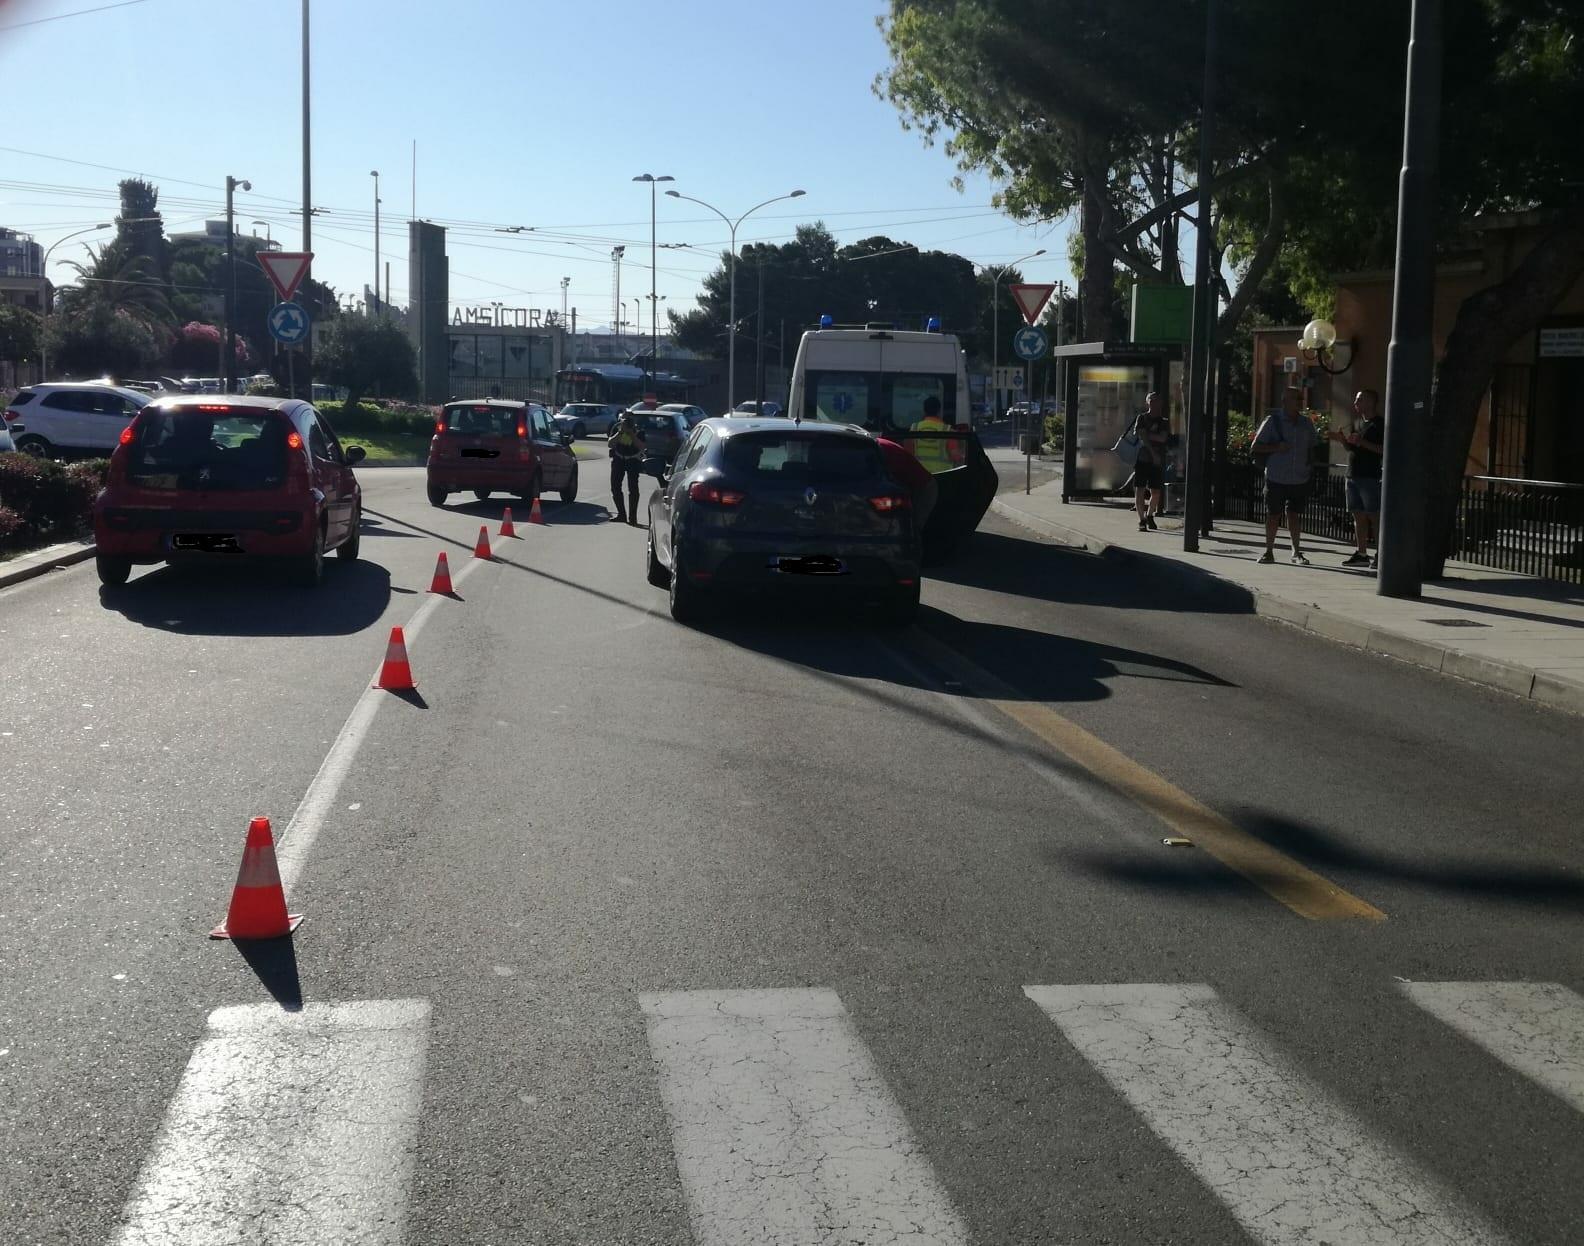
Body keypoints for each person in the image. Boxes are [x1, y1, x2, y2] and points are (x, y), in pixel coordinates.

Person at [1252, 386, 1319, 564]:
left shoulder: (1306, 423)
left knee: (1294, 514)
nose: (1299, 402)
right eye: (1295, 398)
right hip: (1276, 477)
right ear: (1284, 401)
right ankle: (1268, 551)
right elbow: (1255, 447)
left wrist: (1310, 467)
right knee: (1273, 514)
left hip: (1300, 477)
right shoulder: (1272, 421)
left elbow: (1312, 447)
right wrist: (1277, 447)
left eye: (1300, 399)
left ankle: (1296, 552)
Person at [1327, 388, 1384, 569]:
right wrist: (1342, 440)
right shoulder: (1357, 423)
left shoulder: (1380, 424)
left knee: (1374, 515)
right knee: (1357, 514)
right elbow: (1352, 449)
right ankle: (1362, 553)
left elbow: (1384, 449)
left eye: (1359, 400)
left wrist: (1362, 442)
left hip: (1369, 476)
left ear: (1371, 402)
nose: (1355, 403)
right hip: (1352, 474)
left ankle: (1381, 554)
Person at [875, 434, 939, 533]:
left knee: (912, 528)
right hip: (914, 483)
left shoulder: (878, 451)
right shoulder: (873, 447)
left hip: (923, 488)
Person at [1129, 391, 1171, 531]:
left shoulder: (1163, 421)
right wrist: (1152, 447)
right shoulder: (1141, 418)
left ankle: (1150, 515)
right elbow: (1140, 435)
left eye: (1157, 401)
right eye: (1152, 401)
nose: (1154, 404)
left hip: (1157, 461)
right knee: (1140, 489)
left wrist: (1147, 435)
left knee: (1156, 491)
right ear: (1147, 403)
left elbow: (1162, 438)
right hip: (1142, 458)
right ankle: (1141, 519)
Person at [607, 409, 646, 525]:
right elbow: (610, 444)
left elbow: (642, 446)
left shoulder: (639, 430)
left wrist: (632, 434)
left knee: (633, 488)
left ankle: (632, 517)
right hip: (618, 459)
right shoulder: (617, 428)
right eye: (625, 420)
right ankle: (621, 514)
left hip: (633, 460)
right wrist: (620, 432)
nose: (627, 422)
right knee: (615, 486)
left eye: (629, 420)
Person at [905, 395, 962, 473]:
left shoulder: (914, 428)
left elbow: (908, 454)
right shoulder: (948, 430)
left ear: (924, 410)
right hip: (942, 475)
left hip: (920, 474)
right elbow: (955, 456)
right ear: (939, 411)